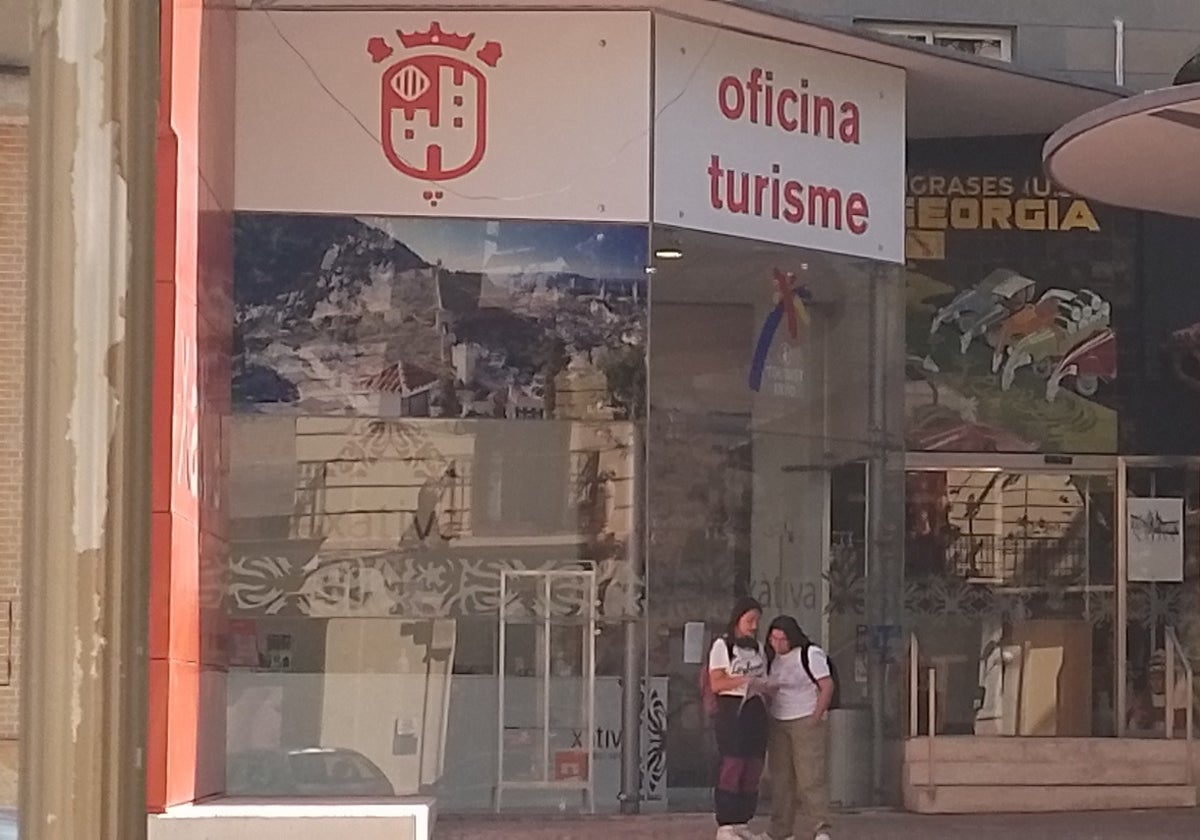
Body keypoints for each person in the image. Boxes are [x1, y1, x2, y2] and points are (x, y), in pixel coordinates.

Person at [765, 615, 833, 840]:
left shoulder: (810, 654)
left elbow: (826, 685)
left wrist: (816, 716)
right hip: (779, 719)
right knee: (781, 779)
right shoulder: (771, 658)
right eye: (773, 639)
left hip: (805, 717)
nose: (777, 644)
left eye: (782, 639)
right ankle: (781, 830)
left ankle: (820, 826)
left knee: (810, 777)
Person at [708, 597, 771, 840]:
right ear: (737, 620)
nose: (754, 626)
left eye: (757, 621)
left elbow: (764, 677)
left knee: (753, 764)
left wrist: (766, 687)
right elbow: (716, 682)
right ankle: (725, 821)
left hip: (755, 706)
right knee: (733, 762)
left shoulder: (758, 649)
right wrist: (744, 681)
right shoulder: (723, 647)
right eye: (749, 620)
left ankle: (743, 818)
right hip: (732, 707)